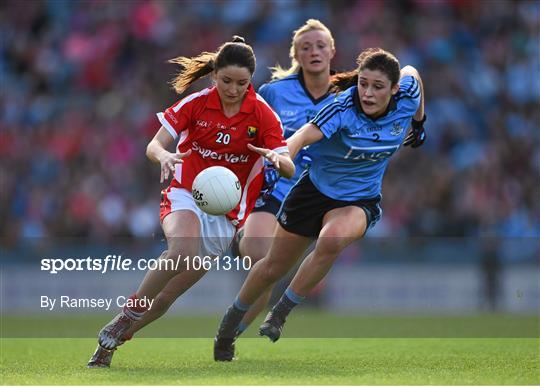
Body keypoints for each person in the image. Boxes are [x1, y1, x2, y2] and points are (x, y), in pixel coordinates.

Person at [87, 36, 295, 368]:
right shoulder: (196, 104)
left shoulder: (263, 116)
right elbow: (154, 146)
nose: (232, 88)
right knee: (181, 251)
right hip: (185, 192)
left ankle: (108, 346)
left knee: (167, 297)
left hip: (225, 215)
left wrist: (275, 157)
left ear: (250, 81)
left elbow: (289, 166)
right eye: (226, 81)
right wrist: (165, 156)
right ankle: (127, 314)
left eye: (241, 83)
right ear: (214, 76)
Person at [214, 47, 427, 349]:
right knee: (273, 267)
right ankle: (230, 322)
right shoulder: (341, 109)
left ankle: (280, 313)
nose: (367, 93)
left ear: (394, 89)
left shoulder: (406, 97)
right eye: (363, 84)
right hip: (313, 192)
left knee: (332, 239)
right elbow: (300, 137)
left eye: (377, 87)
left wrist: (419, 122)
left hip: (359, 200)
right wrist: (282, 156)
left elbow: (413, 74)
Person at [213, 19, 337, 361]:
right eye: (306, 46)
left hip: (319, 194)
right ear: (295, 53)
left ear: (332, 51)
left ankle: (229, 336)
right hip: (276, 187)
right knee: (257, 255)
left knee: (270, 273)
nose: (314, 51)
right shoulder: (274, 92)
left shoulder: (347, 96)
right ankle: (240, 234)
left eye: (320, 45)